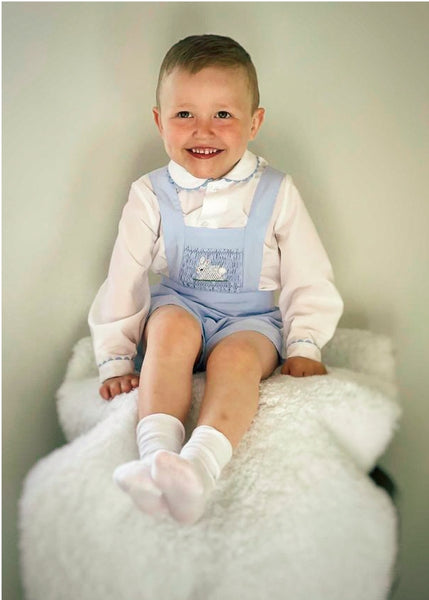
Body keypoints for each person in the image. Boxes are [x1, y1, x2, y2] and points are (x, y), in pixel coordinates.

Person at [88, 34, 343, 525]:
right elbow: (124, 276)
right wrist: (116, 357)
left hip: (250, 320)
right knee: (169, 329)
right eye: (184, 114)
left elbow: (307, 271)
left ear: (254, 122)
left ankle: (198, 468)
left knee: (237, 359)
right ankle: (155, 460)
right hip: (180, 306)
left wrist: (305, 343)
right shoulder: (151, 193)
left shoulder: (276, 190)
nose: (202, 130)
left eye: (222, 114)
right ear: (160, 121)